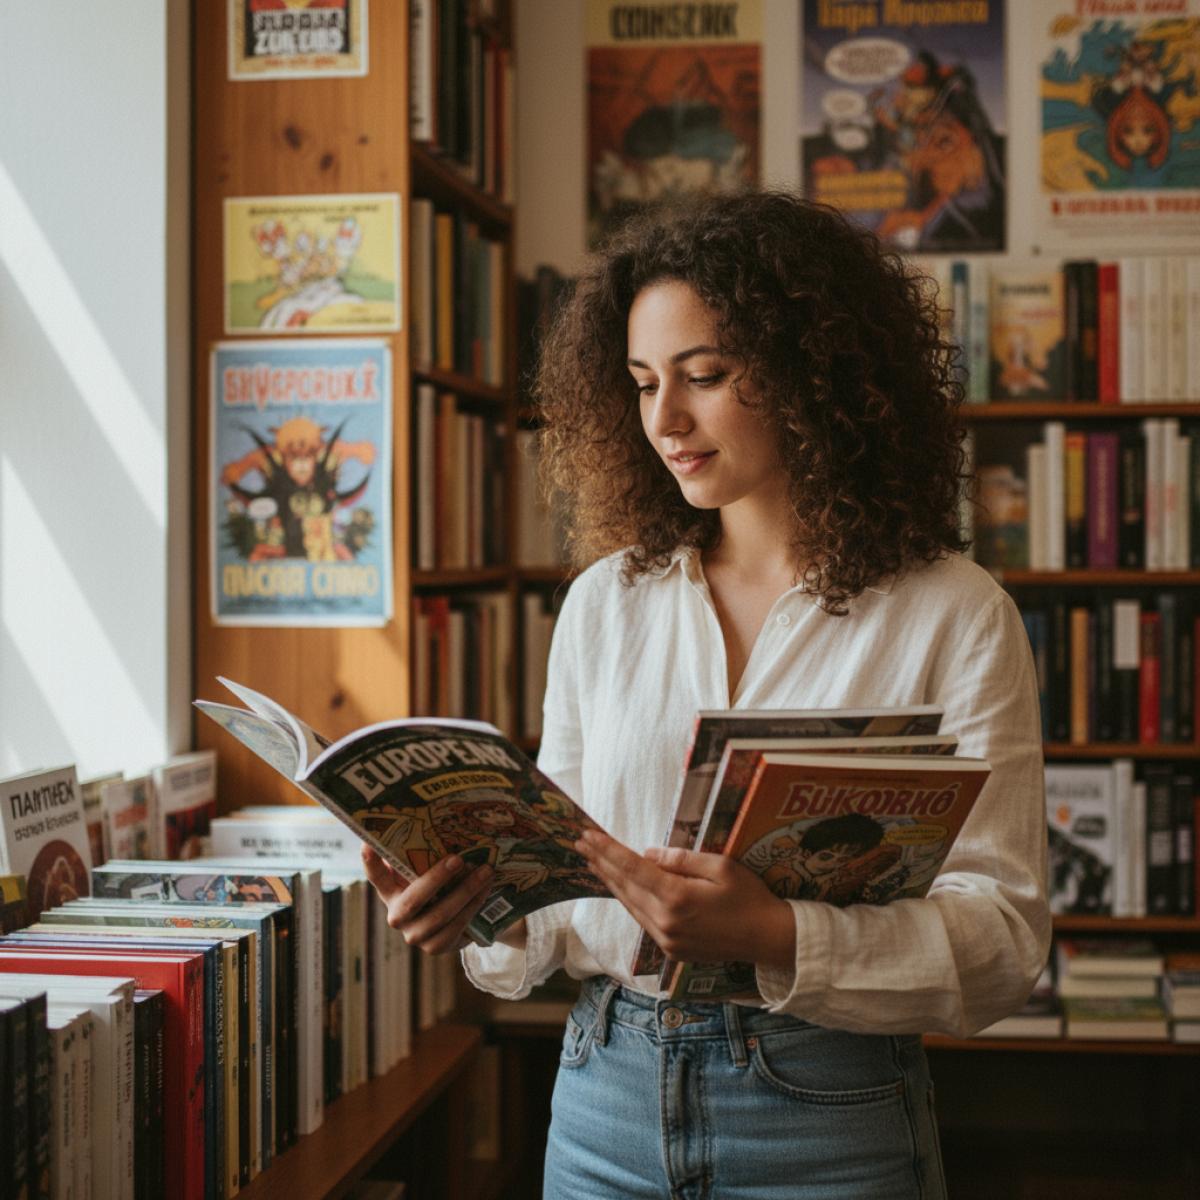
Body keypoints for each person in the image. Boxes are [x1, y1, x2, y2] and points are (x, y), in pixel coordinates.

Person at [362, 189, 1049, 1198]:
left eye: (706, 376)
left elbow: (1002, 943)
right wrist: (480, 909)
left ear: (815, 372)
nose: (667, 420)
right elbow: (563, 895)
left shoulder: (953, 613)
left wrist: (776, 935)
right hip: (605, 1095)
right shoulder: (608, 603)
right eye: (642, 384)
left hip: (827, 1109)